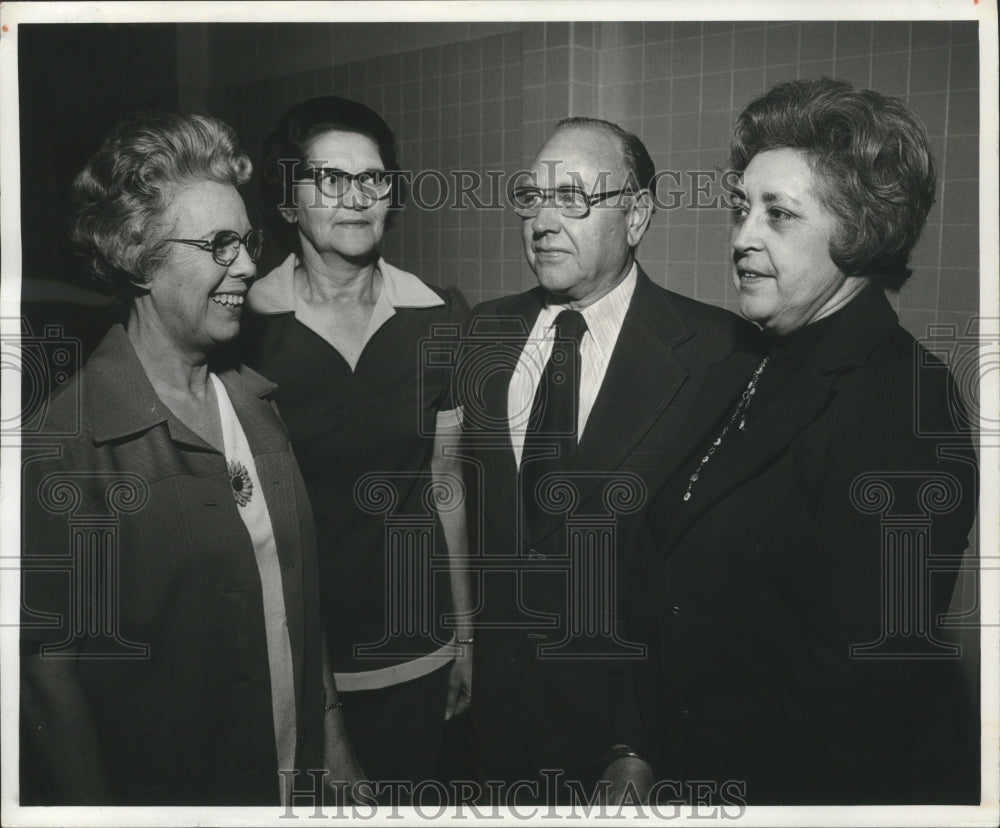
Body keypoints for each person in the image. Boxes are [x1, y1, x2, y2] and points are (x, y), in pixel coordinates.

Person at [607, 78, 979, 805]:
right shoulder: (740, 360)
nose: (743, 234)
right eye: (742, 208)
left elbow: (863, 696)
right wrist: (636, 747)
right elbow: (668, 566)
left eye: (779, 214)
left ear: (858, 228)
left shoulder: (904, 401)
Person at [19, 108, 360, 805]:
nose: (249, 263)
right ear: (137, 255)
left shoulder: (256, 402)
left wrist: (334, 739)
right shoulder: (69, 445)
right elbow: (46, 675)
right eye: (220, 244)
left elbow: (298, 594)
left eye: (248, 240)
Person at [461, 117, 752, 801]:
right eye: (531, 197)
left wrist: (641, 745)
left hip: (627, 744)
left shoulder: (718, 354)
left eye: (572, 198)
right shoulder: (481, 334)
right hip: (485, 734)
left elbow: (719, 581)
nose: (542, 220)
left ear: (637, 215)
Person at [243, 96, 472, 789]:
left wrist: (465, 636)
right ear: (289, 198)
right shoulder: (246, 325)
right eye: (330, 179)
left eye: (373, 179)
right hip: (292, 656)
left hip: (416, 649)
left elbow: (446, 483)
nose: (357, 197)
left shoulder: (439, 316)